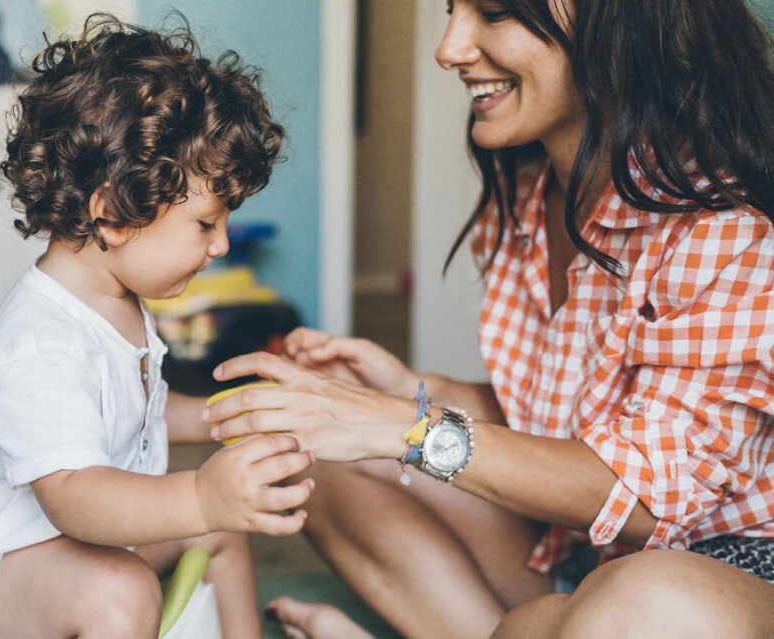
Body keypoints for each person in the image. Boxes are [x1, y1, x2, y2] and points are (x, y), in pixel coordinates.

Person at [203, 0, 774, 637]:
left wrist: (407, 426)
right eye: (452, 11)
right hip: (578, 552)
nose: (450, 48)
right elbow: (577, 422)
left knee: (643, 603)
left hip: (717, 573)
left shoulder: (727, 227)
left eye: (495, 12)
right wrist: (408, 393)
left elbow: (646, 496)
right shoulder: (525, 201)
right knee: (312, 458)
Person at [0, 15, 316, 638]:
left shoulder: (117, 301)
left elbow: (140, 413)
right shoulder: (39, 343)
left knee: (221, 531)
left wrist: (241, 413)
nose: (221, 245)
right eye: (205, 224)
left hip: (79, 542)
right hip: (7, 563)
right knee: (122, 591)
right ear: (111, 215)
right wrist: (199, 496)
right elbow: (77, 497)